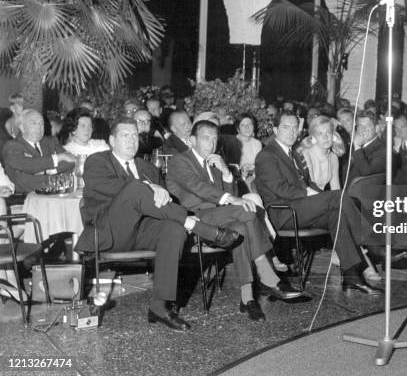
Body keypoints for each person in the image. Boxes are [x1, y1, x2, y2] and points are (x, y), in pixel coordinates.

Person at [74, 117, 242, 332]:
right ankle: (199, 227)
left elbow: (164, 203)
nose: (132, 140)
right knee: (135, 189)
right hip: (109, 234)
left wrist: (156, 189)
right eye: (125, 135)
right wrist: (148, 187)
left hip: (142, 232)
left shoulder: (147, 167)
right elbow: (114, 188)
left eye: (135, 135)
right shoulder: (97, 161)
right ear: (111, 140)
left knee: (174, 228)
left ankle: (159, 306)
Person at [166, 120, 302, 321]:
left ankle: (247, 299)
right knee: (248, 211)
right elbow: (198, 188)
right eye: (206, 138)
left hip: (223, 219)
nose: (211, 144)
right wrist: (231, 199)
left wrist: (227, 173)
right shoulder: (180, 161)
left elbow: (229, 196)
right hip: (196, 219)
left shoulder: (214, 163)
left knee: (240, 230)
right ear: (192, 140)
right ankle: (268, 276)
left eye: (214, 139)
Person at [255, 112, 382, 295]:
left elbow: (306, 183)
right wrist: (309, 193)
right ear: (275, 129)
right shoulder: (266, 155)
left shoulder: (292, 153)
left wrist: (317, 194)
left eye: (294, 128)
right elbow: (279, 188)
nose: (291, 132)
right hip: (283, 213)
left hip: (299, 207)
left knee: (336, 214)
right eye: (285, 127)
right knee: (338, 197)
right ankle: (374, 243)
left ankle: (351, 275)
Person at [2, 109, 75, 193]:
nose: (38, 127)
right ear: (22, 127)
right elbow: (27, 167)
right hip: (25, 199)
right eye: (33, 123)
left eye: (41, 123)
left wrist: (47, 171)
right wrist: (58, 158)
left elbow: (70, 162)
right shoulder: (12, 146)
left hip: (55, 194)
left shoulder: (51, 141)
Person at [296, 116, 340, 192]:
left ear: (333, 135)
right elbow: (309, 187)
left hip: (320, 198)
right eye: (320, 133)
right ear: (313, 137)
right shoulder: (305, 153)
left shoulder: (333, 157)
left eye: (328, 132)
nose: (325, 137)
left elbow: (336, 189)